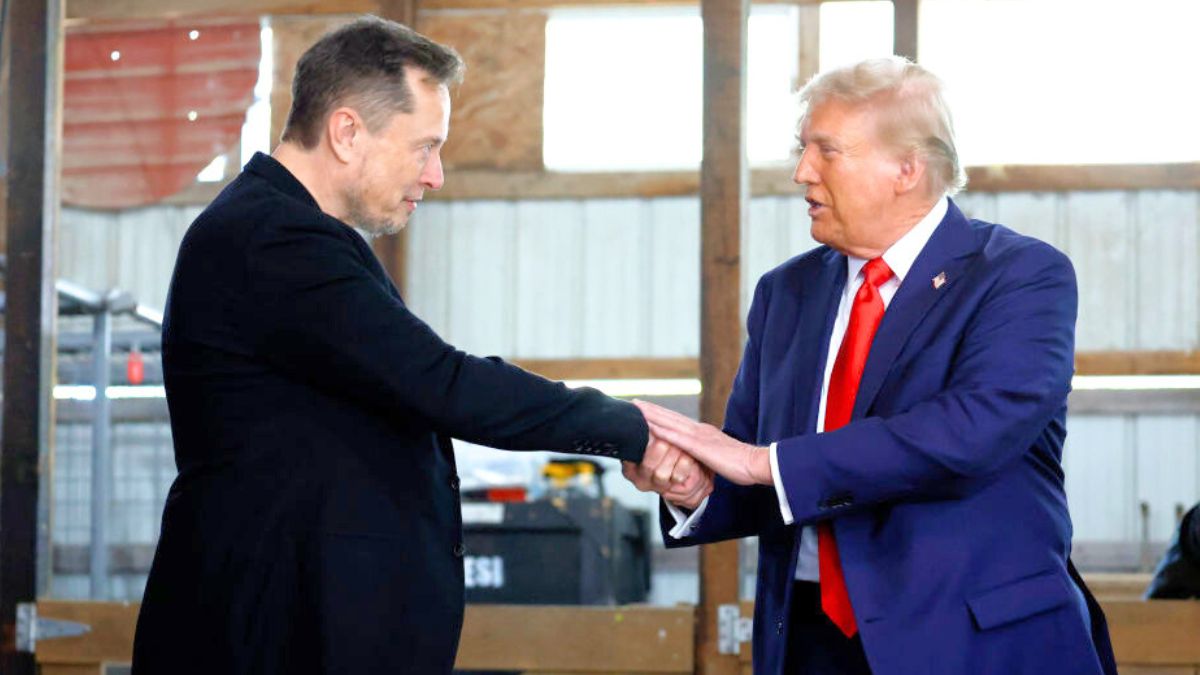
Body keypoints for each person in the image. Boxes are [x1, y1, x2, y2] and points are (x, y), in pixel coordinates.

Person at [131, 17, 700, 675]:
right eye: (424, 146)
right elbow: (441, 382)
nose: (435, 175)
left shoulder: (290, 235)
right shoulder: (273, 241)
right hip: (267, 638)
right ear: (347, 132)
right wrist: (632, 427)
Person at [631, 57, 1117, 674]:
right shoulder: (786, 293)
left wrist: (759, 463)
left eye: (826, 151)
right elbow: (761, 471)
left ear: (906, 169)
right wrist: (696, 487)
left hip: (973, 641)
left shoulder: (1020, 275)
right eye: (800, 149)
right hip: (808, 641)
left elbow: (972, 432)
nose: (802, 171)